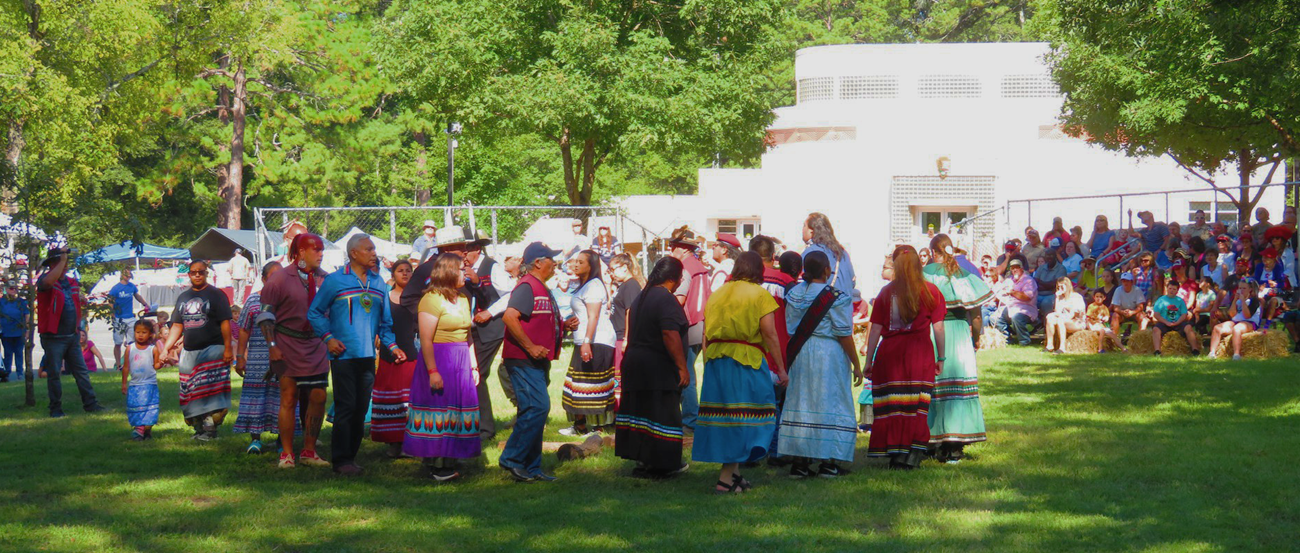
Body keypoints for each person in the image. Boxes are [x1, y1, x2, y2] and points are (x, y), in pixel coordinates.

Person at [308, 234, 405, 476]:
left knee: (361, 408)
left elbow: (385, 323)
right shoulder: (335, 281)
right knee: (346, 406)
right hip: (343, 355)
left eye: (374, 249)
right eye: (369, 249)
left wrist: (392, 347)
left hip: (367, 356)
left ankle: (350, 456)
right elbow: (315, 313)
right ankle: (341, 460)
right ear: (354, 253)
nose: (374, 253)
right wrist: (328, 339)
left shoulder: (379, 282)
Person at [692, 252, 788, 494]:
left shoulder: (718, 293)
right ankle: (725, 480)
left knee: (725, 415)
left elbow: (705, 333)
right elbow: (769, 332)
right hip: (745, 361)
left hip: (716, 360)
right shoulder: (759, 294)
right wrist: (781, 368)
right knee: (748, 415)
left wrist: (708, 359)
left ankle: (734, 475)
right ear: (759, 271)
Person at [778, 250, 861, 477]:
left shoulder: (794, 295)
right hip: (828, 353)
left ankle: (800, 462)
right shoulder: (836, 297)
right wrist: (857, 363)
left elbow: (790, 327)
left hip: (801, 353)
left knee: (802, 401)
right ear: (827, 270)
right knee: (830, 402)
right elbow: (844, 333)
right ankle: (828, 462)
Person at [862, 245, 946, 469]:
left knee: (894, 403)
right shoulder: (931, 291)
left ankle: (896, 452)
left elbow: (876, 329)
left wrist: (868, 360)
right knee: (917, 404)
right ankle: (913, 453)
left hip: (890, 354)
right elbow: (938, 328)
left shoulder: (886, 293)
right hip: (920, 353)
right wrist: (942, 357)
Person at [404, 252, 481, 481]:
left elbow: (468, 337)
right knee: (439, 409)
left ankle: (452, 459)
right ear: (448, 272)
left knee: (457, 410)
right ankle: (437, 465)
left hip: (461, 361)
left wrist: (474, 366)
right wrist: (433, 371)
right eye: (460, 269)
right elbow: (426, 340)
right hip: (440, 360)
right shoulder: (431, 299)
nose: (465, 273)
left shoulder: (463, 299)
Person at [257, 233, 332, 469]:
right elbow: (266, 315)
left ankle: (309, 450)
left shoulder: (325, 280)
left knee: (318, 396)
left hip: (316, 346)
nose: (320, 254)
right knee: (289, 398)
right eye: (315, 250)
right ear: (300, 252)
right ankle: (287, 453)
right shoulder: (279, 279)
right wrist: (272, 346)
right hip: (287, 345)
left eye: (321, 250)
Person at [614, 256, 690, 479]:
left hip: (636, 363)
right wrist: (682, 366)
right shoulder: (665, 299)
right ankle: (663, 464)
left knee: (642, 412)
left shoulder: (642, 296)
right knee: (661, 413)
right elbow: (669, 333)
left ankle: (644, 460)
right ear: (674, 278)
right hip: (656, 367)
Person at [499, 242, 566, 482]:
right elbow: (509, 317)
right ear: (538, 263)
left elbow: (535, 320)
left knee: (534, 409)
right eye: (551, 259)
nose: (555, 263)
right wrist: (529, 346)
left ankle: (532, 466)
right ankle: (513, 459)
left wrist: (564, 326)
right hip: (523, 359)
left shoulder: (540, 287)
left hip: (536, 360)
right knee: (536, 408)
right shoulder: (527, 286)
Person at [921, 235, 990, 463]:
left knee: (934, 385)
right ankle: (955, 447)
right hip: (960, 333)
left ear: (933, 251)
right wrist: (976, 337)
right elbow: (977, 315)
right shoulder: (962, 274)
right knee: (958, 385)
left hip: (933, 332)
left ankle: (930, 440)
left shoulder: (925, 274)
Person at [161, 259, 234, 440]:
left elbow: (225, 322)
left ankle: (211, 430)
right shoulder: (183, 297)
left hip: (213, 349)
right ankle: (199, 429)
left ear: (206, 273)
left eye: (201, 272)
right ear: (189, 274)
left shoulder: (217, 295)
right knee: (190, 392)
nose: (197, 275)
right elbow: (177, 325)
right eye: (194, 272)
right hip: (190, 352)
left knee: (211, 391)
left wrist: (228, 348)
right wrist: (166, 349)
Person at [233, 262, 292, 455]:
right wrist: (240, 356)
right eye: (273, 277)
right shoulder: (252, 301)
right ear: (264, 279)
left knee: (284, 398)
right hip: (257, 359)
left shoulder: (289, 299)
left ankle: (282, 441)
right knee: (255, 398)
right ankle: (255, 439)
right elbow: (243, 329)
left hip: (284, 358)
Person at [36, 248, 103, 417]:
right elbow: (48, 283)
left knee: (81, 372)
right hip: (53, 337)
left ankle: (91, 404)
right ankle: (55, 409)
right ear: (52, 264)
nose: (64, 266)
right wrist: (62, 260)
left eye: (65, 263)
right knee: (54, 374)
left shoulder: (71, 282)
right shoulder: (45, 280)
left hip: (71, 336)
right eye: (60, 262)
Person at [560, 250, 618, 436]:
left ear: (591, 266)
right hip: (584, 339)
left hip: (596, 340)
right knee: (578, 384)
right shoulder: (583, 285)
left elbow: (593, 316)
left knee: (590, 385)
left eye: (581, 262)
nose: (576, 265)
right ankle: (581, 426)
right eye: (575, 261)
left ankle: (596, 427)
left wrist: (587, 341)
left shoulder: (594, 285)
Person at [750, 234, 795, 465]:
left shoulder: (736, 280)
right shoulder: (786, 281)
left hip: (747, 353)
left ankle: (750, 452)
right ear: (772, 255)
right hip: (779, 351)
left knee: (747, 406)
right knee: (776, 405)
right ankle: (775, 452)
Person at [666, 227, 710, 432]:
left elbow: (679, 300)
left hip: (688, 325)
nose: (670, 250)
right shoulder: (699, 266)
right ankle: (691, 418)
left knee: (685, 374)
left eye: (673, 247)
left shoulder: (684, 268)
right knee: (688, 373)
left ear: (682, 249)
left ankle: (690, 421)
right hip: (700, 323)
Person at [372, 259, 417, 457]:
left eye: (408, 270)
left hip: (411, 353)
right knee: (391, 396)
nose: (405, 274)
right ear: (393, 274)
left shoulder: (419, 299)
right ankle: (393, 443)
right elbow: (380, 325)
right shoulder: (385, 298)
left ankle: (411, 441)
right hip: (390, 354)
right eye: (401, 271)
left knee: (410, 398)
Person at [608, 253, 645, 409]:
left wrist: (627, 338)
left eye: (613, 269)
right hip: (617, 335)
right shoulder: (623, 285)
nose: (612, 273)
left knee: (620, 375)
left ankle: (623, 409)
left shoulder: (631, 285)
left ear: (624, 267)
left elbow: (631, 311)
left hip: (623, 335)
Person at [803, 213, 859, 303]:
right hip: (844, 311)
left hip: (822, 311)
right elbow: (852, 282)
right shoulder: (842, 252)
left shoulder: (811, 252)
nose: (802, 229)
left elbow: (801, 284)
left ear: (811, 231)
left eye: (804, 226)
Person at [121, 319, 162, 441]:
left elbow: (156, 366)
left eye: (144, 332)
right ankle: (139, 429)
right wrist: (124, 383)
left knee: (149, 408)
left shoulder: (152, 349)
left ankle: (146, 430)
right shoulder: (130, 348)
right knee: (136, 407)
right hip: (135, 385)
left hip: (149, 384)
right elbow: (126, 367)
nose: (140, 335)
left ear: (150, 334)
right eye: (137, 332)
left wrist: (162, 362)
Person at [1209, 279, 1261, 360]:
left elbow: (1247, 315)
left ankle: (1236, 355)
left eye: (1244, 288)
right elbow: (1231, 314)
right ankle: (1212, 353)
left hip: (1249, 322)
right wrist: (1234, 300)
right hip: (1236, 321)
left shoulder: (1254, 300)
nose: (1241, 290)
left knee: (1237, 329)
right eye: (1239, 288)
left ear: (1250, 289)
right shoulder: (1237, 300)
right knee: (1217, 328)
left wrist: (1243, 301)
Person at [108, 270, 149, 368]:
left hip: (130, 317)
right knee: (118, 343)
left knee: (132, 342)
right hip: (119, 319)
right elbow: (110, 301)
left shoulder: (132, 286)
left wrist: (145, 304)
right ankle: (118, 365)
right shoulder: (115, 288)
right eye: (127, 274)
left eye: (130, 275)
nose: (128, 276)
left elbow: (137, 295)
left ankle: (132, 363)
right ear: (122, 275)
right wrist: (112, 314)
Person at [995, 259, 1038, 346]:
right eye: (1012, 268)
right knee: (995, 319)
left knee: (1016, 318)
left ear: (1022, 269)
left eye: (1017, 268)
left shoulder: (1028, 280)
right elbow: (998, 292)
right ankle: (1007, 339)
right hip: (1010, 307)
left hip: (1026, 308)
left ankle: (1024, 341)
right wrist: (1001, 293)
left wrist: (1012, 292)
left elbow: (1027, 297)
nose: (1014, 270)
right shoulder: (1009, 280)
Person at [1151, 280, 1200, 356]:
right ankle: (1157, 351)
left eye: (1174, 289)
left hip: (1178, 322)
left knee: (1189, 327)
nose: (1171, 291)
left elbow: (1184, 314)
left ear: (1177, 291)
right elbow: (1156, 314)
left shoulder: (1180, 301)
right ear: (1167, 288)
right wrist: (1166, 322)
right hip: (1165, 322)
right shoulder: (1161, 300)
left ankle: (1195, 350)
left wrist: (1177, 322)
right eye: (1170, 288)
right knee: (1155, 329)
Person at [1043, 277, 1085, 354]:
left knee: (1060, 320)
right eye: (1058, 287)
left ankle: (1062, 347)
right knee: (1049, 317)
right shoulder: (1061, 298)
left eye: (1062, 286)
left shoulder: (1076, 297)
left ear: (1067, 286)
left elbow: (1074, 314)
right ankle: (1050, 345)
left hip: (1077, 322)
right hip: (1064, 320)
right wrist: (1057, 298)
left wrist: (1062, 316)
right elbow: (1057, 312)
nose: (1060, 289)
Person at [0, 283, 28, 382]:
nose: (13, 290)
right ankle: (6, 373)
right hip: (6, 332)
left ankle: (20, 373)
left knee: (19, 353)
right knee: (8, 353)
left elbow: (26, 315)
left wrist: (27, 329)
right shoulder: (1, 302)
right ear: (6, 289)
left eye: (15, 288)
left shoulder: (21, 302)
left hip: (19, 331)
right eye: (11, 288)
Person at [1032, 249, 1067, 314]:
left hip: (1052, 295)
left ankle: (1046, 322)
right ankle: (1034, 322)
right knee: (1029, 301)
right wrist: (1048, 285)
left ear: (1055, 256)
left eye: (1051, 255)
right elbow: (1034, 283)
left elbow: (1055, 285)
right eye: (1047, 255)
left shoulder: (1061, 268)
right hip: (1039, 294)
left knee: (1046, 303)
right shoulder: (1041, 267)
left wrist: (1041, 282)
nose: (1049, 257)